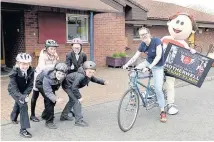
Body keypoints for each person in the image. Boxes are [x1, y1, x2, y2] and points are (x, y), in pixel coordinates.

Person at [123, 27, 167, 122]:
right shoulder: (142, 45)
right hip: (147, 62)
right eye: (141, 35)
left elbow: (158, 56)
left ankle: (162, 111)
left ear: (149, 34)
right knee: (132, 74)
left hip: (158, 66)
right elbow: (135, 56)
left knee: (158, 89)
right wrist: (126, 64)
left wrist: (149, 67)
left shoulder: (156, 41)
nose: (143, 36)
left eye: (145, 34)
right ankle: (133, 97)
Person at [161, 13, 197, 115]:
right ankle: (151, 93)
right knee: (155, 81)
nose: (178, 26)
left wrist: (192, 52)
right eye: (177, 22)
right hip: (160, 65)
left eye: (182, 24)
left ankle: (170, 104)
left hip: (172, 68)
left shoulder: (183, 43)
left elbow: (188, 56)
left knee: (170, 84)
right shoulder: (164, 38)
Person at [61, 61, 108, 126]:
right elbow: (74, 87)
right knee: (77, 101)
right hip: (68, 86)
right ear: (85, 70)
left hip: (70, 86)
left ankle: (64, 115)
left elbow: (95, 80)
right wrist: (80, 97)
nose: (91, 74)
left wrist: (103, 82)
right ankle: (78, 121)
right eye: (89, 72)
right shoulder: (80, 76)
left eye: (93, 72)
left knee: (72, 100)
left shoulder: (88, 75)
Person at [30, 39, 59, 122]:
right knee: (35, 95)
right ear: (46, 49)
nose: (53, 50)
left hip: (48, 78)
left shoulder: (54, 54)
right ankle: (32, 115)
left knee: (48, 97)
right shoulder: (43, 55)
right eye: (51, 49)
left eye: (54, 49)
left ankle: (45, 114)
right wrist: (54, 66)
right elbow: (44, 68)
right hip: (39, 76)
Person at [8, 53, 34, 138]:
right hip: (14, 91)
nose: (25, 66)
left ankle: (13, 117)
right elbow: (14, 88)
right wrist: (22, 97)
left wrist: (25, 94)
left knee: (18, 103)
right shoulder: (13, 73)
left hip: (23, 90)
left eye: (27, 64)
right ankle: (23, 130)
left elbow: (30, 85)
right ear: (18, 63)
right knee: (23, 105)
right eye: (23, 63)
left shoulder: (31, 71)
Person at [35, 62, 68, 129]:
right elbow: (48, 92)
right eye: (59, 73)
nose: (60, 76)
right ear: (55, 71)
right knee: (50, 101)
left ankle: (45, 115)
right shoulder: (48, 76)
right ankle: (49, 122)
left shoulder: (62, 76)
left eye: (62, 74)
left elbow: (64, 84)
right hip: (41, 83)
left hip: (52, 82)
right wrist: (56, 99)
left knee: (53, 100)